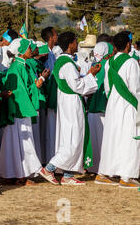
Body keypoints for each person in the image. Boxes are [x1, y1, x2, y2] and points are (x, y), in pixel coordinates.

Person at [39, 32, 100, 186]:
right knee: (73, 139)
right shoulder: (66, 63)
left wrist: (86, 76)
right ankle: (49, 168)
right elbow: (77, 85)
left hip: (68, 102)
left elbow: (76, 82)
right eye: (75, 42)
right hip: (71, 103)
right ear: (70, 44)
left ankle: (67, 174)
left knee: (73, 137)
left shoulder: (63, 61)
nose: (76, 44)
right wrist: (91, 75)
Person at [0, 39, 48, 185]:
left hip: (21, 110)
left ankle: (20, 174)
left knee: (18, 142)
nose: (31, 50)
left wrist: (37, 83)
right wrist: (39, 82)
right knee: (19, 142)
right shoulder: (17, 67)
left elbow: (26, 87)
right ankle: (19, 174)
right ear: (21, 52)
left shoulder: (22, 66)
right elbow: (20, 92)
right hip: (19, 110)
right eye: (28, 48)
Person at [97, 31, 140, 188]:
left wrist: (113, 99)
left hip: (113, 103)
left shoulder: (109, 62)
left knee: (112, 138)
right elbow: (135, 89)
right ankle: (126, 177)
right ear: (128, 45)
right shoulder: (131, 63)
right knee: (130, 138)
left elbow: (108, 87)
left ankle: (103, 173)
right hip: (128, 104)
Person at [87, 42, 114, 175]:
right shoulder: (108, 65)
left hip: (92, 106)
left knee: (95, 140)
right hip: (104, 106)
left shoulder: (93, 66)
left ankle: (93, 167)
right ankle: (105, 169)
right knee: (105, 139)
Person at [41, 27, 59, 164]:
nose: (57, 36)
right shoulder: (44, 53)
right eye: (56, 34)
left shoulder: (52, 53)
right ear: (51, 37)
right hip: (46, 92)